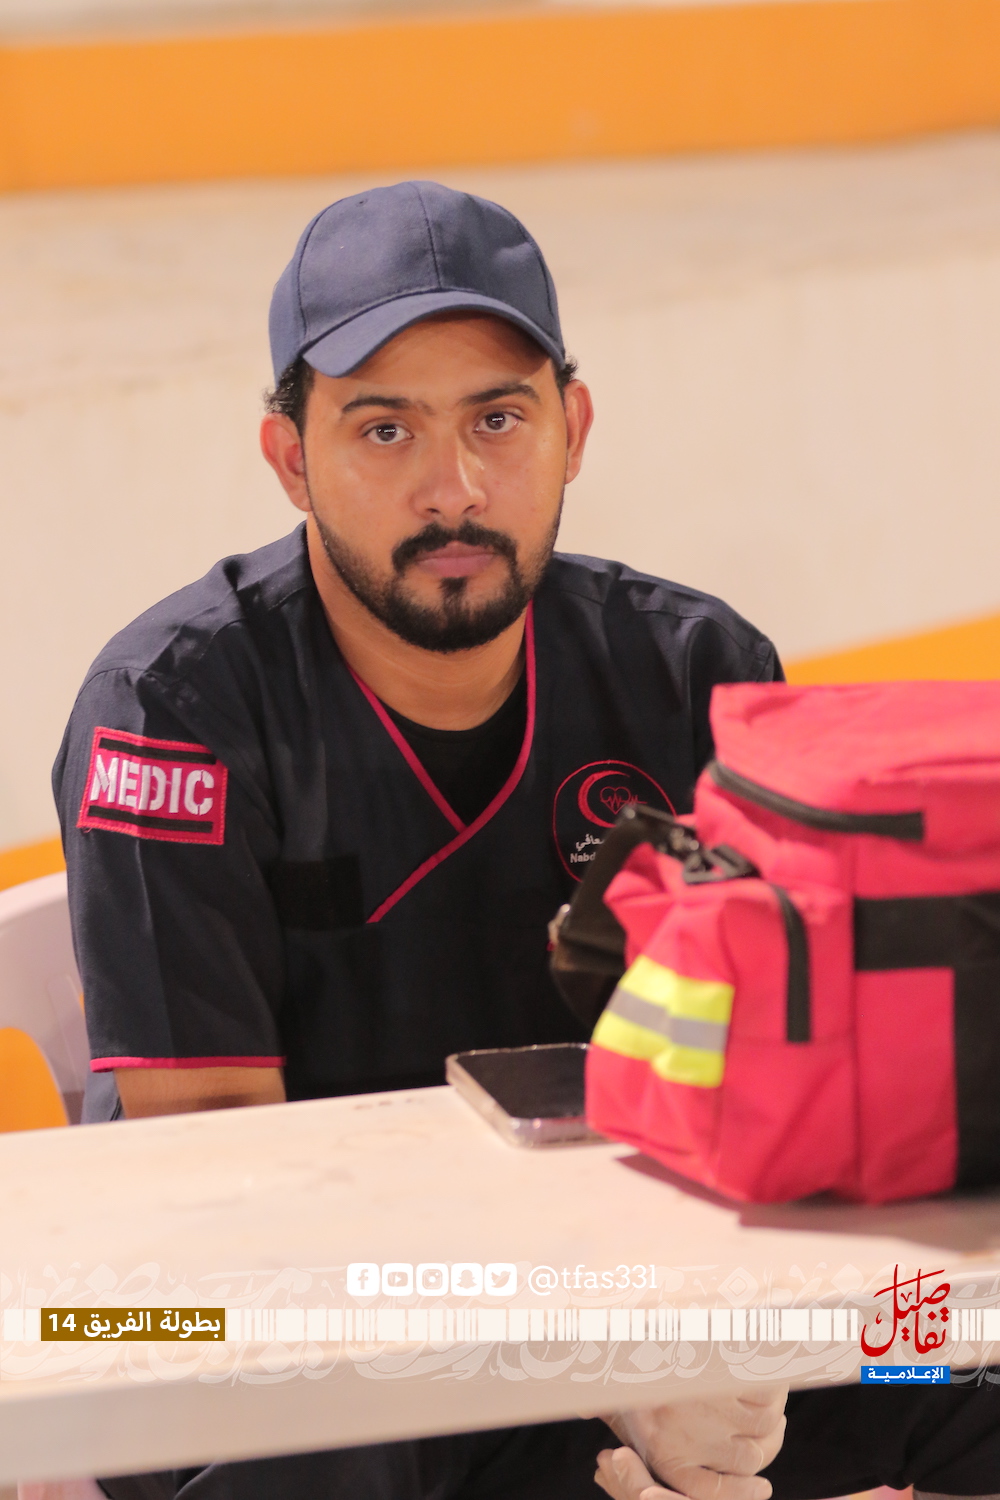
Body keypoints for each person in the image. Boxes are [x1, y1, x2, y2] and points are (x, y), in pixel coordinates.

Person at [53, 182, 1000, 1500]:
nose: (453, 489)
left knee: (951, 1356)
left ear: (574, 429)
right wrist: (592, 1363)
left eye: (498, 419)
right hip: (261, 1342)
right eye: (385, 430)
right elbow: (223, 1201)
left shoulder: (701, 673)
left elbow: (791, 1097)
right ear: (290, 457)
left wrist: (722, 1344)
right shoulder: (168, 715)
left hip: (659, 1317)